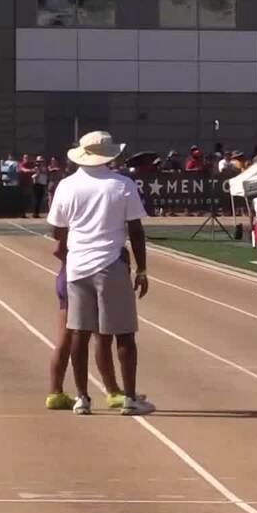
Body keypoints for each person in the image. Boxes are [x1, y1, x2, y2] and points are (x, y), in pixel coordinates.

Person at [47, 130, 155, 417]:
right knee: (123, 334)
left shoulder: (66, 186)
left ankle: (82, 397)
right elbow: (136, 230)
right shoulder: (122, 185)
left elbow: (57, 230)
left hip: (77, 266)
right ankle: (129, 398)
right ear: (110, 155)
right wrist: (142, 269)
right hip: (110, 264)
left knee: (79, 333)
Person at [46, 247, 127, 411]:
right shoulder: (93, 228)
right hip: (84, 276)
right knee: (101, 336)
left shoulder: (76, 226)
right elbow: (58, 249)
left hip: (71, 274)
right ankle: (112, 391)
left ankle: (55, 393)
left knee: (67, 338)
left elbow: (58, 248)